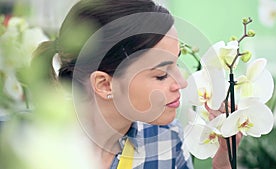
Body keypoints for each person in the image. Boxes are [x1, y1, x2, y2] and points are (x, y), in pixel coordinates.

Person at [33, 0, 239, 168]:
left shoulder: (168, 138)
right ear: (104, 85)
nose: (182, 83)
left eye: (176, 64)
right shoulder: (24, 144)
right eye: (161, 75)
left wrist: (223, 161)